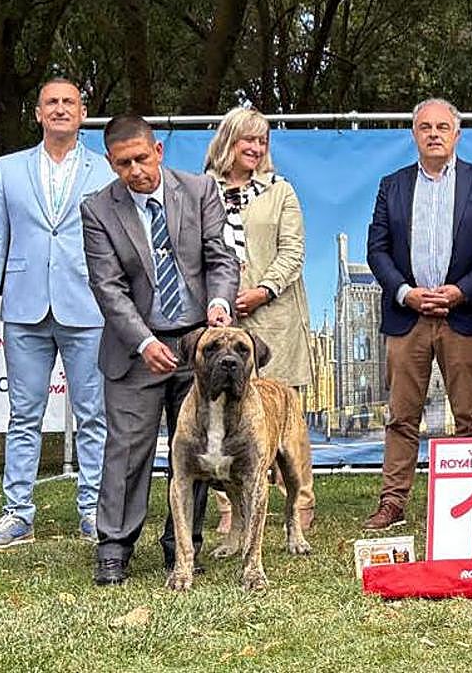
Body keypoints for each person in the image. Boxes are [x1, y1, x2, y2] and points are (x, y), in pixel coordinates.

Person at [81, 115, 239, 585]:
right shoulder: (97, 210)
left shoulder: (199, 190)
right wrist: (144, 341)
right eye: (123, 164)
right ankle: (114, 547)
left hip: (198, 347)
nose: (134, 170)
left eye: (141, 159)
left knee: (194, 451)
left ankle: (182, 547)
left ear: (158, 152)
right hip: (136, 350)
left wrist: (219, 303)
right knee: (127, 451)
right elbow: (108, 288)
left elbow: (221, 257)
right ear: (110, 163)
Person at [0, 78, 115, 549]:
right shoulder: (7, 169)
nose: (59, 108)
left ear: (82, 112)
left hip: (88, 305)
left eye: (68, 102)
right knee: (24, 415)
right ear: (37, 113)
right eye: (51, 102)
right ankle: (17, 514)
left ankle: (94, 510)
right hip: (24, 307)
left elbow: (120, 239)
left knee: (93, 414)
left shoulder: (104, 170)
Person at [363, 98, 472, 529]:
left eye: (443, 127)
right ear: (414, 134)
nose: (434, 134)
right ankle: (392, 502)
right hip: (408, 318)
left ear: (457, 134)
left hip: (464, 315)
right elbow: (377, 250)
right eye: (426, 127)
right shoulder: (392, 186)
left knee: (470, 416)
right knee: (401, 416)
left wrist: (461, 291)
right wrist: (406, 293)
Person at [203, 106, 315, 533]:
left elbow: (293, 251)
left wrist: (262, 290)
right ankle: (231, 511)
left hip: (275, 319)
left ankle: (298, 506)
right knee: (220, 413)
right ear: (227, 141)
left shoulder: (280, 191)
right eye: (247, 139)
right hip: (220, 320)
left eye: (262, 140)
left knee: (283, 418)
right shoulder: (201, 190)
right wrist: (219, 299)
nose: (255, 147)